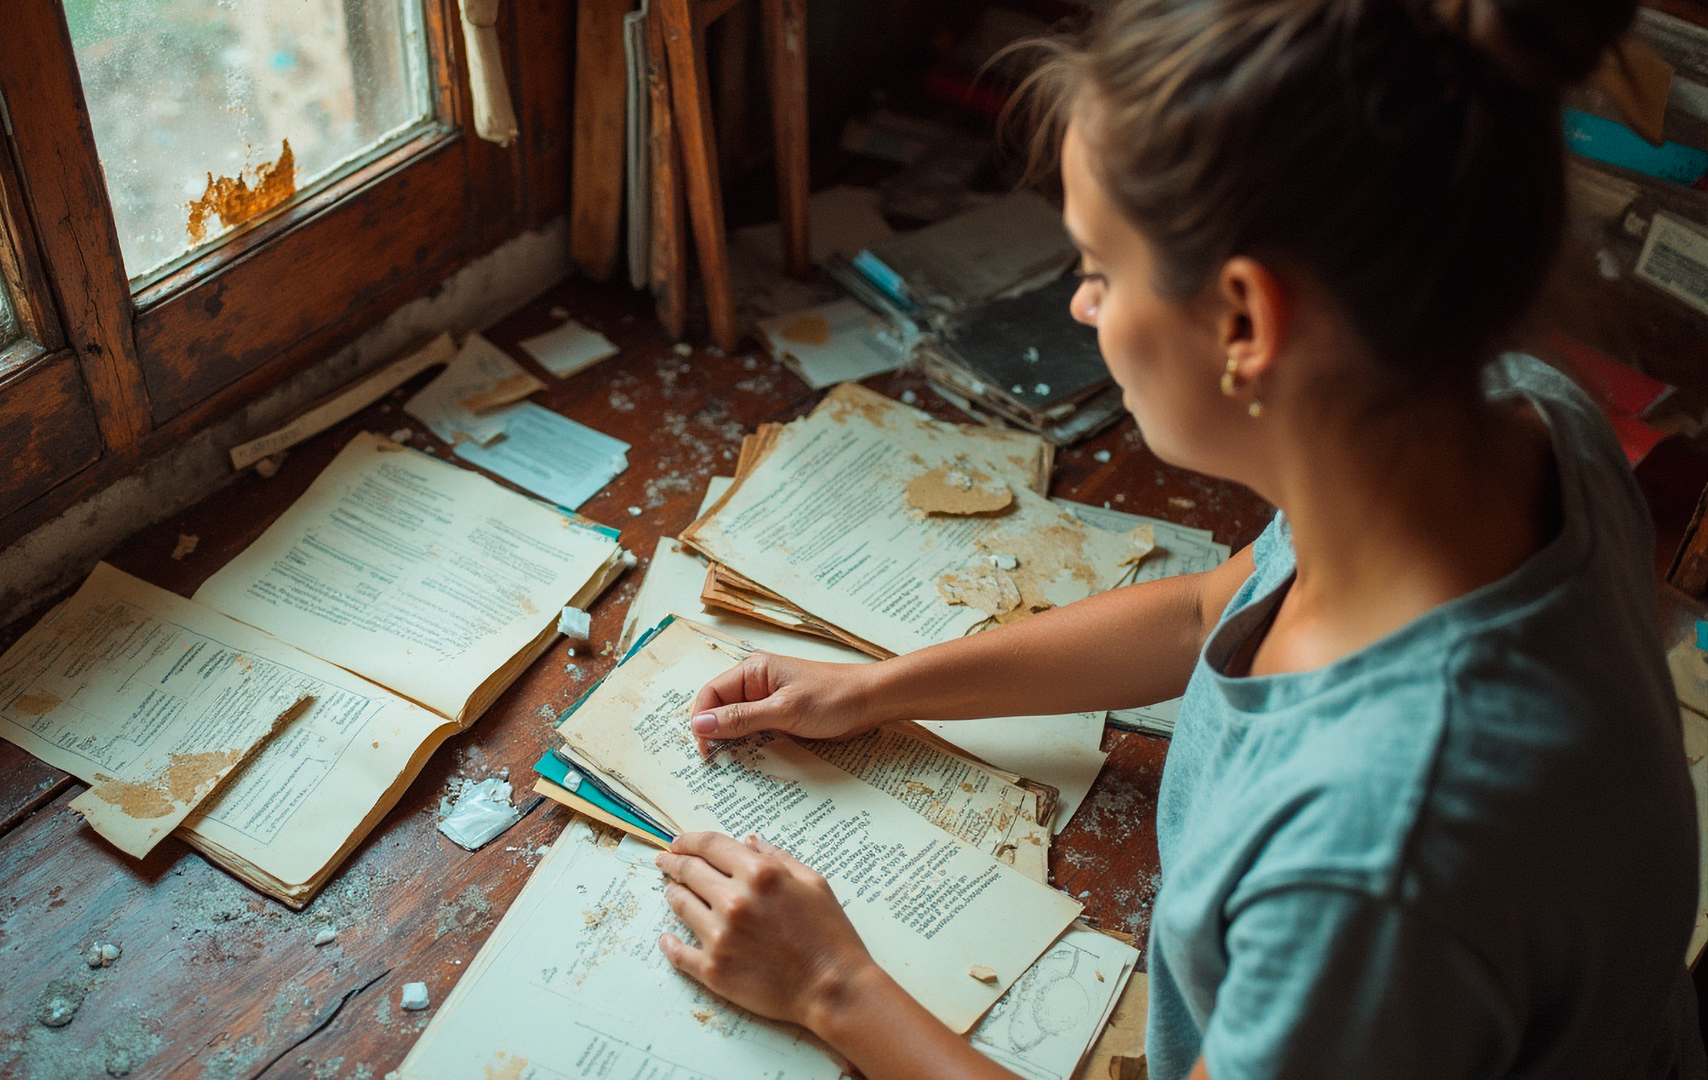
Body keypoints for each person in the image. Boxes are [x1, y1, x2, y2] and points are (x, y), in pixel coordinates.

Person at [643, 0, 1708, 1077]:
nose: (1082, 308)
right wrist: (878, 688)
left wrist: (832, 987)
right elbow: (1212, 610)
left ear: (1245, 323)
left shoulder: (1377, 866)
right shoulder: (1511, 422)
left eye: (1099, 270)